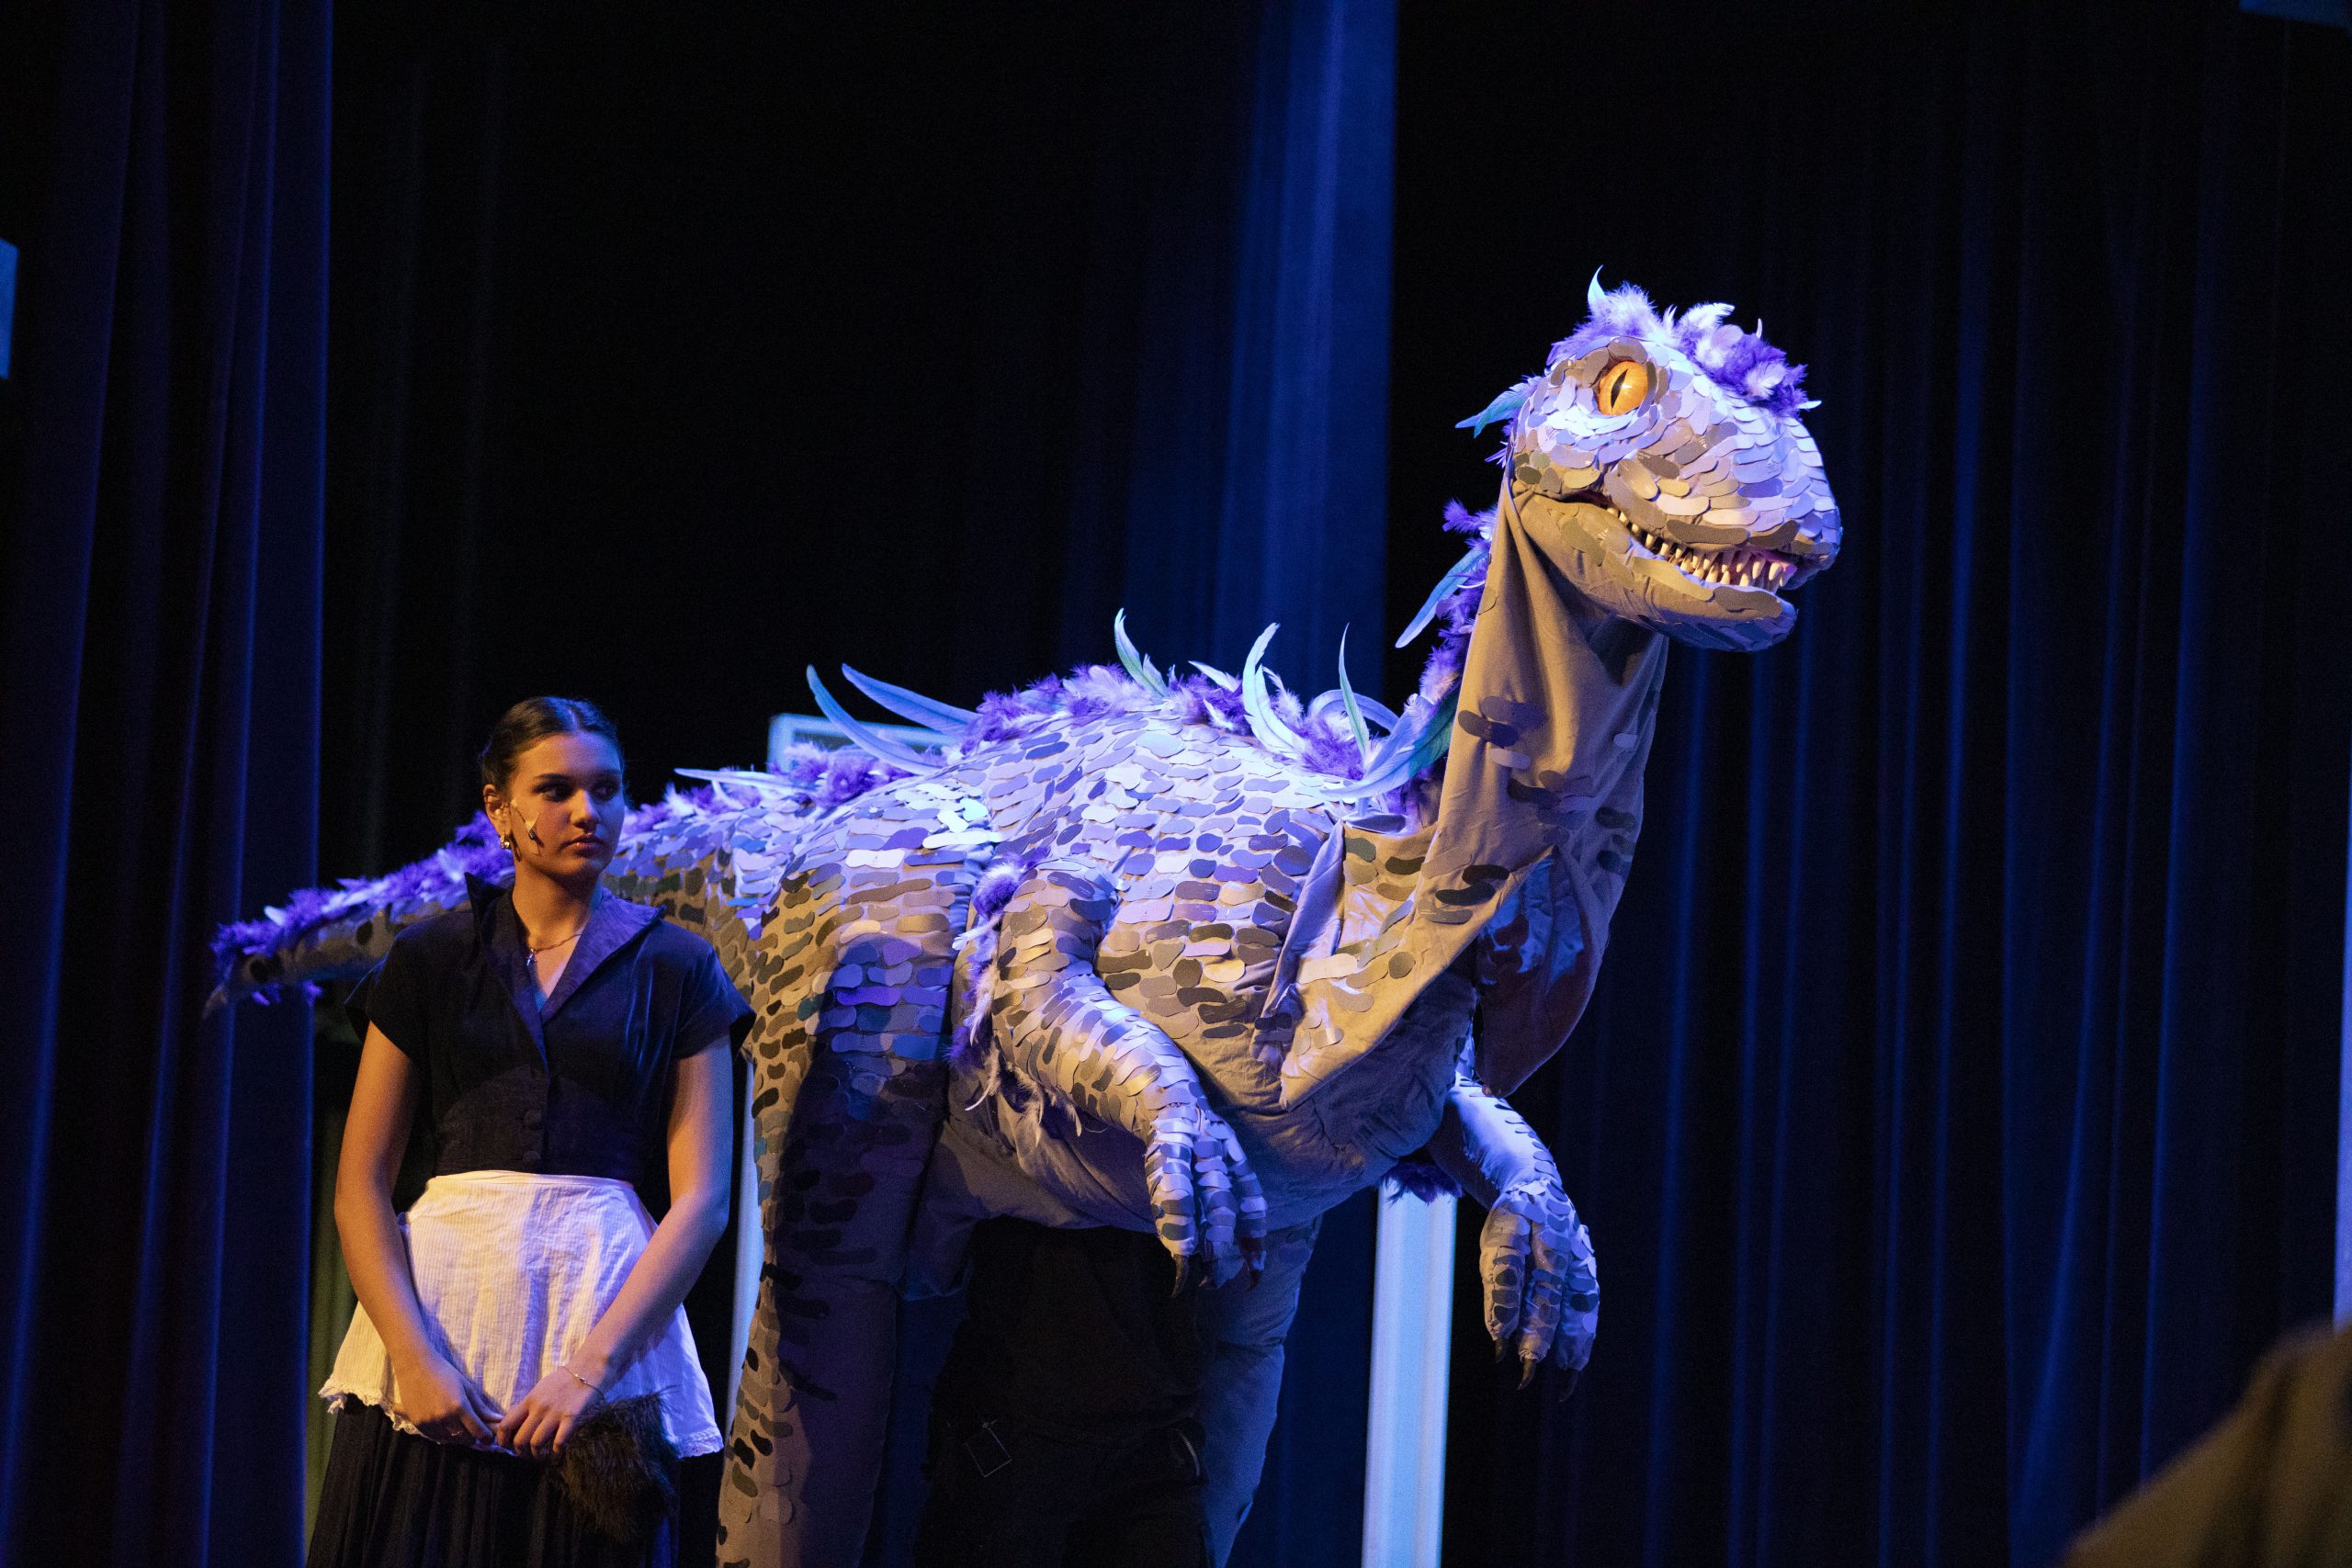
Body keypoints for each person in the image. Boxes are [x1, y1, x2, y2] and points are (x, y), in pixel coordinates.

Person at [308, 697, 751, 1568]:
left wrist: (590, 1369)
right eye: (556, 790)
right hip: (442, 1317)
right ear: (498, 809)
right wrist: (412, 1355)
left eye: (608, 789)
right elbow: (361, 1178)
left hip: (601, 1318)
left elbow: (702, 1198)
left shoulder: (678, 964)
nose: (588, 811)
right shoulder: (432, 957)